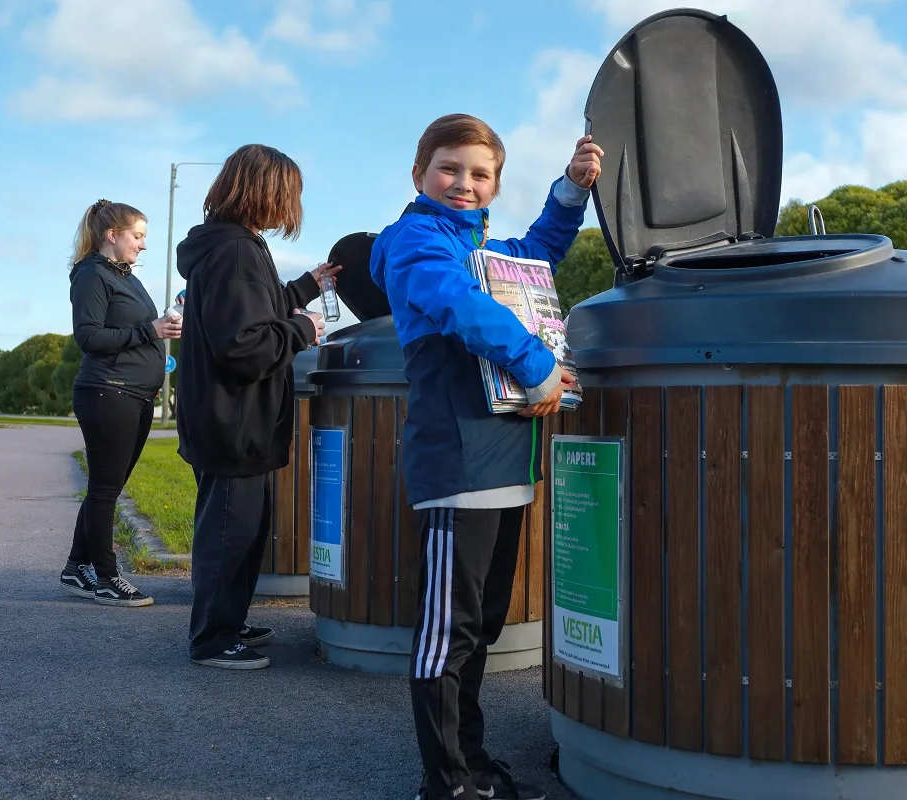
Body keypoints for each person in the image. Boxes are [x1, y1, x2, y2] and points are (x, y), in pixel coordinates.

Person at [370, 114, 602, 800]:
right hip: (459, 466)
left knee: (480, 627)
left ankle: (470, 761)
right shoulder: (414, 240)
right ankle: (446, 783)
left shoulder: (477, 245)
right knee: (450, 635)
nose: (464, 184)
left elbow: (532, 257)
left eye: (480, 174)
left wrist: (571, 190)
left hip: (506, 463)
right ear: (419, 176)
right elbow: (456, 302)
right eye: (449, 169)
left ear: (496, 182)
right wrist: (537, 367)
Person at [174, 143, 341, 670]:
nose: (291, 205)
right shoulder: (237, 251)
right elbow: (244, 344)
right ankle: (213, 639)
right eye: (288, 193)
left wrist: (306, 288)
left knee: (241, 528)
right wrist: (305, 328)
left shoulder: (230, 247)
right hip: (235, 419)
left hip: (226, 417)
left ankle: (227, 619)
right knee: (231, 532)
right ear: (266, 191)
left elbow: (253, 307)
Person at [60, 199, 181, 608]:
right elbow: (89, 337)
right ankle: (108, 578)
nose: (143, 245)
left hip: (134, 394)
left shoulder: (124, 275)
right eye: (138, 236)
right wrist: (150, 330)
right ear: (113, 235)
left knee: (106, 488)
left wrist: (163, 326)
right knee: (105, 490)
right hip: (107, 392)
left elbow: (139, 328)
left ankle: (78, 567)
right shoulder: (93, 274)